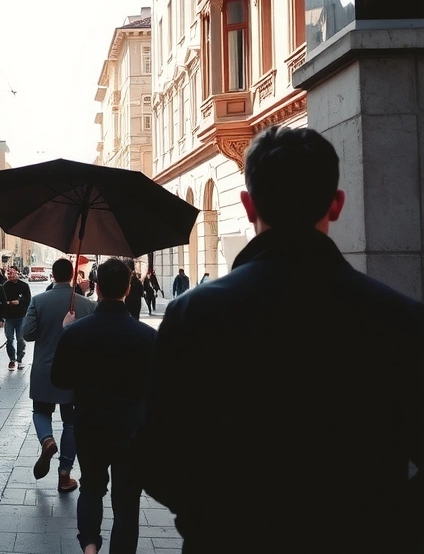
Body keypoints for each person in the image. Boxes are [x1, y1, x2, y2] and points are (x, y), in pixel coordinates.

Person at [136, 126, 424, 553]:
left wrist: (213, 516)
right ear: (337, 204)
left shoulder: (194, 315)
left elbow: (155, 455)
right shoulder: (399, 318)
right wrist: (381, 522)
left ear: (248, 204)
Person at [51, 258, 157, 554]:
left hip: (90, 425)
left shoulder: (76, 332)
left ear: (96, 288)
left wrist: (65, 331)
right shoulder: (148, 337)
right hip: (131, 430)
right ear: (128, 289)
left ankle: (89, 546)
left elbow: (59, 379)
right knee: (127, 500)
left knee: (91, 488)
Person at [23, 257, 97, 494]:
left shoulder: (39, 301)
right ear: (72, 276)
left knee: (40, 411)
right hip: (75, 373)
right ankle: (64, 475)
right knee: (71, 423)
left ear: (53, 276)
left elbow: (27, 333)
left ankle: (47, 440)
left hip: (45, 369)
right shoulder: (87, 306)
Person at [2, 266, 31, 370]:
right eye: (9, 274)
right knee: (9, 339)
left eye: (12, 273)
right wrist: (10, 303)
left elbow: (28, 300)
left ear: (17, 273)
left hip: (21, 317)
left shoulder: (24, 286)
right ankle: (12, 360)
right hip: (9, 317)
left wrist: (19, 302)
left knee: (20, 339)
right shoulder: (5, 286)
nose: (10, 275)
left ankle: (19, 359)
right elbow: (2, 301)